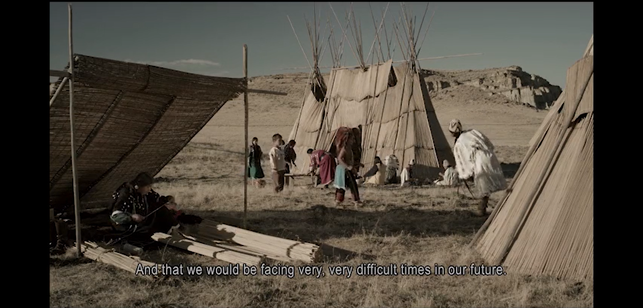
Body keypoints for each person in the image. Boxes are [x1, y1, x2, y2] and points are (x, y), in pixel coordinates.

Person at [110, 172, 202, 240]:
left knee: (162, 212)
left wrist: (168, 201)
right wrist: (131, 217)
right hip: (127, 226)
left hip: (142, 222)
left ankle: (177, 231)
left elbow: (157, 200)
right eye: (147, 187)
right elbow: (116, 216)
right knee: (149, 232)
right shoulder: (125, 195)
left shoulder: (144, 193)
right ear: (138, 186)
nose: (149, 189)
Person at [448, 119, 507, 216]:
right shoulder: (473, 132)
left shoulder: (459, 144)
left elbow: (464, 160)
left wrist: (464, 174)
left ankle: (481, 210)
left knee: (483, 186)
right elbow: (488, 143)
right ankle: (490, 206)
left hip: (480, 161)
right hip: (489, 156)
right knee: (489, 185)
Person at [333, 128, 362, 207]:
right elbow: (340, 158)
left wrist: (358, 164)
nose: (353, 140)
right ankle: (354, 201)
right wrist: (348, 167)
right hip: (343, 170)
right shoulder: (344, 149)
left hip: (346, 170)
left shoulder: (349, 149)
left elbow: (348, 159)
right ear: (347, 139)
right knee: (348, 186)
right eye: (352, 139)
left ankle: (353, 201)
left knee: (350, 186)